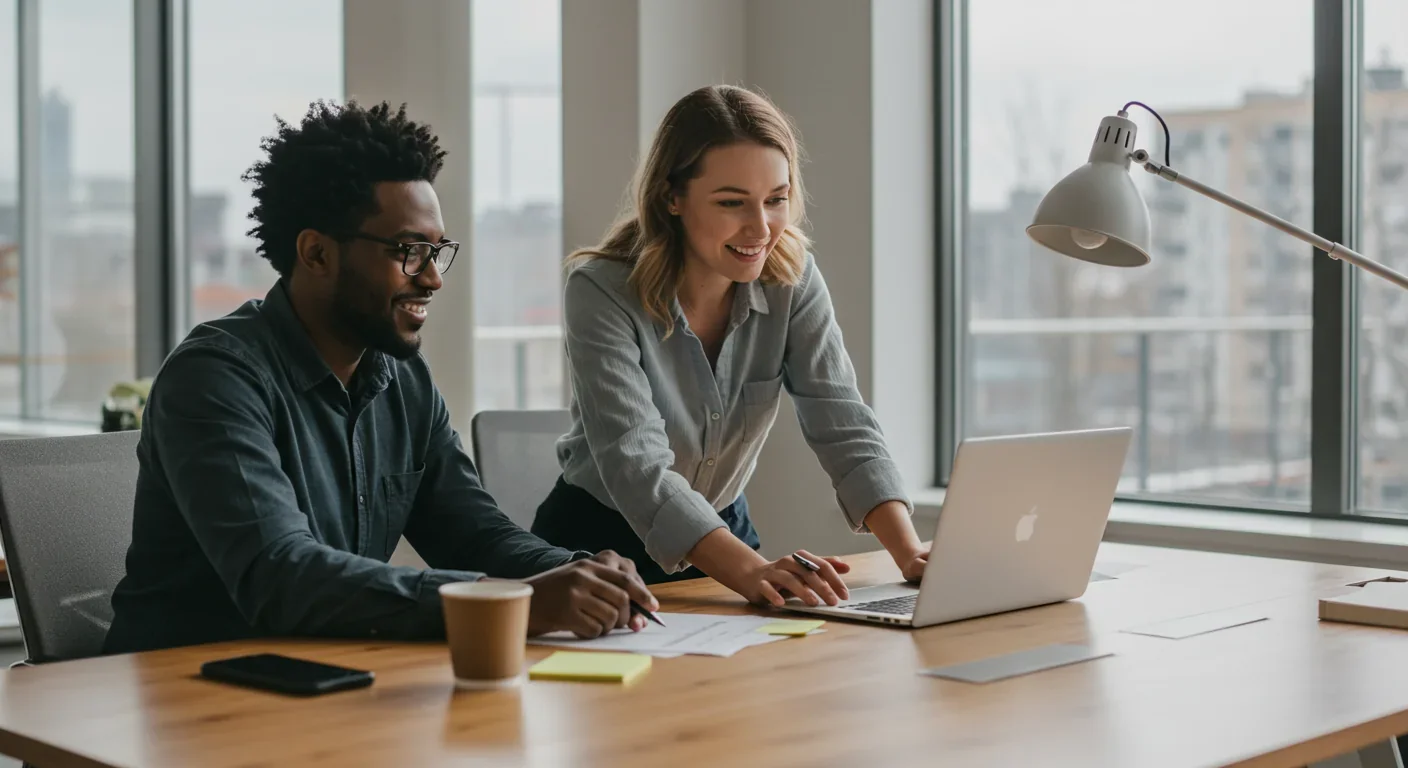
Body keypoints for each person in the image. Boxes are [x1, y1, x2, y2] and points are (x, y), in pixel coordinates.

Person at [104, 100, 656, 655]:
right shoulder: (216, 378)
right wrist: (512, 603)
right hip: (181, 698)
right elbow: (281, 575)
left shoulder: (403, 378)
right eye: (409, 252)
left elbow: (473, 532)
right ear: (316, 252)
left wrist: (578, 572)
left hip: (319, 681)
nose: (434, 279)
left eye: (437, 251)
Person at [531, 85, 929, 608]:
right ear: (671, 197)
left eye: (776, 200)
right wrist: (756, 572)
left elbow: (841, 417)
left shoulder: (792, 276)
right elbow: (637, 464)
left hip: (727, 538)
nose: (761, 228)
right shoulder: (600, 289)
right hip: (598, 551)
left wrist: (912, 555)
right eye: (731, 202)